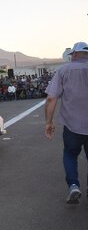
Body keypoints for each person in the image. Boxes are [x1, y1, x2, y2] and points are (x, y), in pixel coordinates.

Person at [44, 41, 88, 204]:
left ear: (75, 54)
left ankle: (74, 185)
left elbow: (51, 98)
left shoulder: (63, 70)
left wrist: (49, 122)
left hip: (72, 126)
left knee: (70, 154)